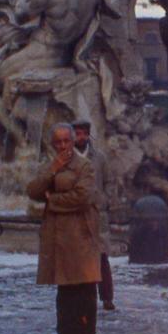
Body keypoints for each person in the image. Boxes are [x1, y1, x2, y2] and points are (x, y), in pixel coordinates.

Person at [27, 123, 101, 334]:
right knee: (65, 290)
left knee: (83, 289)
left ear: (72, 141)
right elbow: (33, 191)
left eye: (66, 141)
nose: (62, 146)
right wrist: (52, 170)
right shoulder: (52, 165)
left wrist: (53, 200)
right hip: (58, 236)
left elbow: (82, 197)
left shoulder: (84, 165)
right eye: (57, 142)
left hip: (79, 235)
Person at [73, 120, 115, 311]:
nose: (80, 137)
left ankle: (106, 297)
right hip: (74, 213)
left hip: (97, 212)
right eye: (77, 133)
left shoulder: (99, 158)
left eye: (83, 134)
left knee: (101, 257)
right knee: (76, 256)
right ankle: (80, 296)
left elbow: (109, 181)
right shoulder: (66, 157)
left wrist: (104, 200)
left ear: (88, 135)